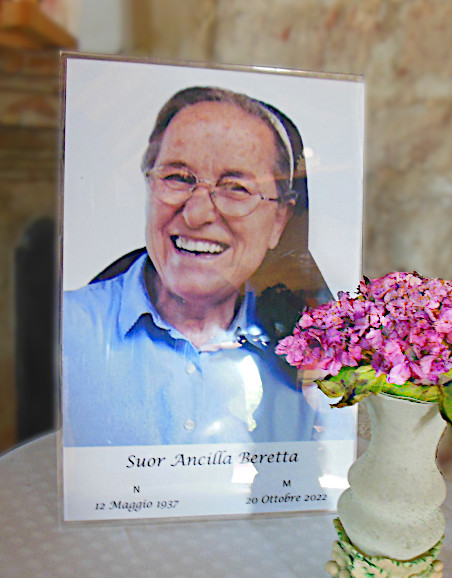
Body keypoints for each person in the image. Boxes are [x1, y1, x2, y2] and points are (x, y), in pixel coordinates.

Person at [62, 86, 353, 446]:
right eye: (177, 177)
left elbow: (335, 466)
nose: (197, 214)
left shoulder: (317, 352)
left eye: (236, 188)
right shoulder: (66, 330)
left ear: (279, 219)